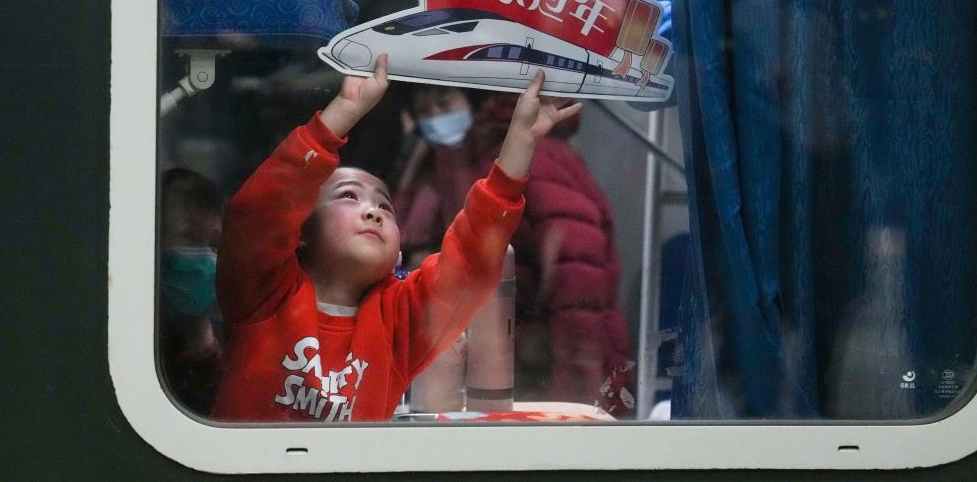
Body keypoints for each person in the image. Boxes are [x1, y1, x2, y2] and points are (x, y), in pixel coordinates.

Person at [210, 55, 581, 422]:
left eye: (385, 206)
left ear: (399, 251)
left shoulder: (399, 321)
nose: (373, 211)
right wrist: (342, 114)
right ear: (301, 231)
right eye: (348, 196)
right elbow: (259, 211)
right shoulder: (263, 292)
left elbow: (473, 255)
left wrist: (520, 141)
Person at [394, 86, 633, 415]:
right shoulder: (441, 164)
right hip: (473, 369)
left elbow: (577, 272)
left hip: (541, 369)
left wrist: (578, 388)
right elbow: (405, 243)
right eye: (425, 110)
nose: (436, 117)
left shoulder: (536, 158)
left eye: (444, 102)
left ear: (474, 100)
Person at [159, 168, 225, 415]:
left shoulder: (224, 340)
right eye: (188, 239)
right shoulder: (142, 337)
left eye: (214, 244)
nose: (204, 258)